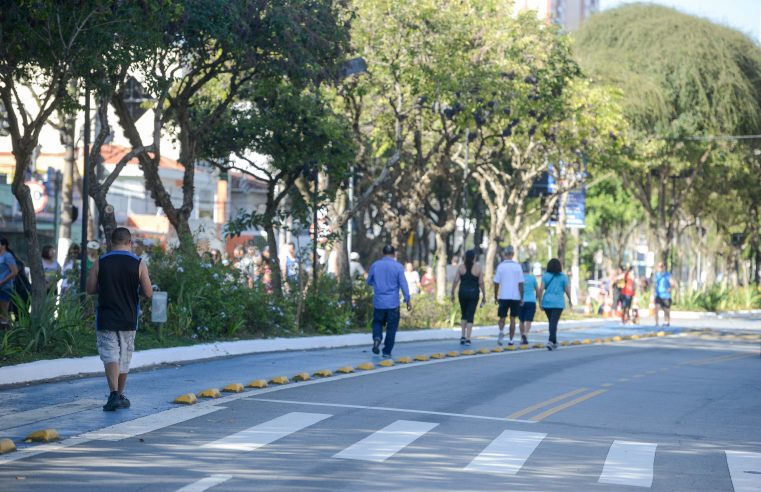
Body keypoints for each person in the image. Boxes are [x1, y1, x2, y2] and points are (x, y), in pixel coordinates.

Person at [86, 227, 153, 411]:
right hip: (129, 317)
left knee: (110, 355)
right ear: (129, 243)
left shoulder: (100, 261)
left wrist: (107, 289)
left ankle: (114, 394)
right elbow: (148, 292)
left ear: (110, 242)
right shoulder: (139, 263)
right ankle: (120, 394)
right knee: (124, 356)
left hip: (106, 317)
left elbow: (90, 289)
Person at [367, 245, 411, 358]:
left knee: (377, 322)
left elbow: (369, 281)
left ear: (383, 253)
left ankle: (377, 338)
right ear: (394, 254)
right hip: (393, 303)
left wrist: (378, 284)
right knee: (391, 328)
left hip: (379, 302)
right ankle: (386, 351)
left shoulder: (375, 265)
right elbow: (403, 284)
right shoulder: (398, 267)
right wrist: (407, 299)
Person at [451, 249, 485, 346]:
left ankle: (462, 336)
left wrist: (452, 292)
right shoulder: (478, 268)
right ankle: (468, 338)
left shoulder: (461, 267)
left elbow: (456, 280)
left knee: (464, 313)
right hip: (474, 293)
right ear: (474, 257)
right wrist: (484, 295)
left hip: (462, 293)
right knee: (471, 314)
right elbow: (481, 282)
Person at [538, 258, 572, 351]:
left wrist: (539, 301)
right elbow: (567, 290)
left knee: (552, 322)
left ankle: (555, 342)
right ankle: (550, 341)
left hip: (547, 302)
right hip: (558, 303)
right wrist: (570, 300)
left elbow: (541, 289)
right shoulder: (563, 277)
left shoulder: (545, 276)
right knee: (553, 322)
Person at [493, 245, 524, 346]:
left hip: (503, 296)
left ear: (504, 254)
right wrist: (522, 297)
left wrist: (495, 295)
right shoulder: (517, 267)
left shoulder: (501, 266)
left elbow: (496, 283)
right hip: (515, 297)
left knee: (502, 317)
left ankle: (501, 332)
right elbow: (521, 284)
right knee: (513, 319)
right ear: (513, 254)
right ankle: (511, 340)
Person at [0, 238, 19, 327]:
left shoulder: (8, 256)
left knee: (4, 311)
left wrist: (2, 281)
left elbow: (15, 272)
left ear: (3, 245)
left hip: (5, 287)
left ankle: (7, 332)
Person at [519, 261, 539, 345]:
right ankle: (525, 334)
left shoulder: (519, 278)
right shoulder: (532, 278)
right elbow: (537, 290)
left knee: (521, 320)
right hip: (531, 301)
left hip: (520, 301)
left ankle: (522, 338)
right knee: (529, 320)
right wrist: (537, 299)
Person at [654, 262, 675, 327]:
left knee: (666, 310)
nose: (660, 268)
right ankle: (656, 323)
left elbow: (673, 284)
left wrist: (670, 288)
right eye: (659, 266)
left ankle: (667, 322)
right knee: (656, 308)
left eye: (662, 266)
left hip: (666, 295)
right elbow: (654, 285)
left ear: (664, 267)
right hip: (658, 294)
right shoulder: (656, 275)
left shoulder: (667, 275)